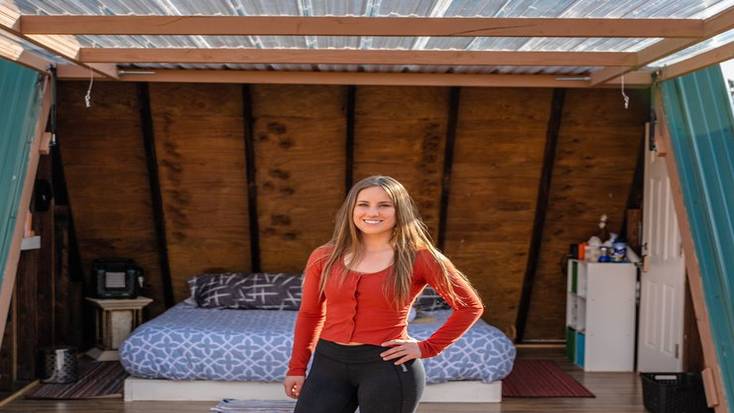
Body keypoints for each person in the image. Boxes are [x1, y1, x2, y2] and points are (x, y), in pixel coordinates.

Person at [283, 175, 484, 413]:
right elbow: (310, 314)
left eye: (384, 205)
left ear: (400, 210)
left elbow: (470, 307)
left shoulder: (420, 258)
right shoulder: (324, 256)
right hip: (328, 364)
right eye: (364, 204)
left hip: (388, 367)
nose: (373, 212)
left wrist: (427, 347)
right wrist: (297, 368)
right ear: (351, 209)